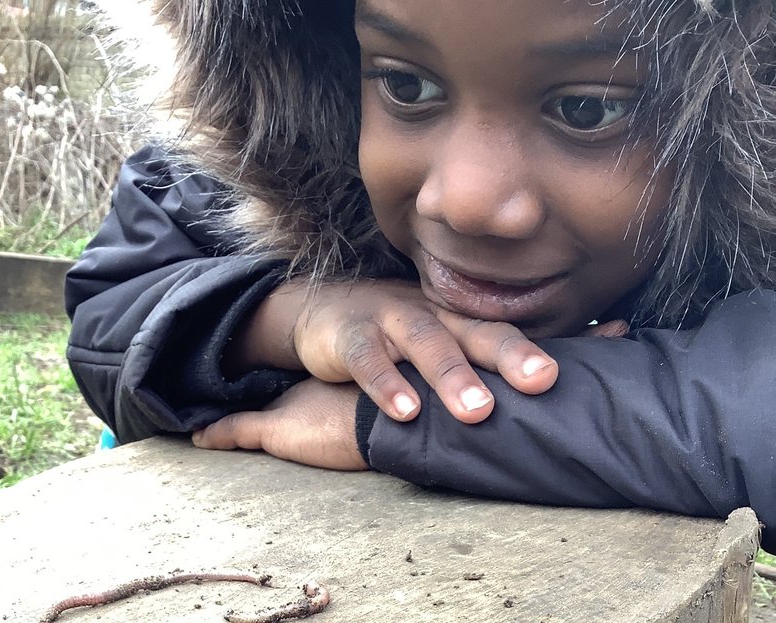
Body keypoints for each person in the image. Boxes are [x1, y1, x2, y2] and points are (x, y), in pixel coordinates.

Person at [67, 0, 776, 549]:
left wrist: (424, 416)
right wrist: (292, 316)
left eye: (586, 109)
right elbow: (113, 309)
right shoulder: (260, 140)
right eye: (407, 85)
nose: (465, 203)